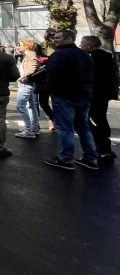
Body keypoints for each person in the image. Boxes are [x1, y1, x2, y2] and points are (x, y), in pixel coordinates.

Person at [43, 30, 98, 171]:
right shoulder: (84, 55)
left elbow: (51, 75)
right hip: (83, 95)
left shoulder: (59, 55)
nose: (55, 40)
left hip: (64, 96)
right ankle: (91, 158)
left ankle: (66, 159)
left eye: (58, 38)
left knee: (65, 128)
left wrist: (47, 90)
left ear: (68, 39)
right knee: (83, 128)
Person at [80, 35, 119, 163]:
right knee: (101, 120)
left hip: (94, 95)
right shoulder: (106, 56)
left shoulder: (91, 57)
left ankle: (102, 150)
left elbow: (89, 77)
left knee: (94, 122)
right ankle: (105, 149)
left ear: (89, 45)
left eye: (82, 43)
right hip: (103, 95)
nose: (80, 46)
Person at [14, 39, 40, 139]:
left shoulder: (31, 55)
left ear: (27, 46)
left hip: (26, 84)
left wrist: (22, 77)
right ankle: (34, 128)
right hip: (27, 84)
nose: (18, 47)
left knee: (20, 106)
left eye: (20, 45)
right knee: (31, 106)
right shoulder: (29, 55)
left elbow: (32, 69)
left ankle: (29, 131)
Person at [36, 28, 57, 131]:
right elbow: (38, 57)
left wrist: (47, 59)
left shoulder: (59, 46)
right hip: (43, 77)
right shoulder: (41, 45)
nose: (51, 36)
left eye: (53, 35)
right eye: (50, 34)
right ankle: (52, 118)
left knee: (56, 102)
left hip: (56, 77)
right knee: (43, 102)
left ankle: (53, 120)